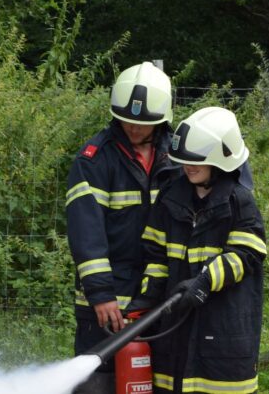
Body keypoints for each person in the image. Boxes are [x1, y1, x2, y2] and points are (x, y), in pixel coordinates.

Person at [66, 61, 180, 393]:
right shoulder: (94, 160)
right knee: (97, 385)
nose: (133, 128)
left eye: (142, 124)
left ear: (161, 121)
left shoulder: (177, 160)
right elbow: (86, 232)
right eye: (127, 120)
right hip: (104, 305)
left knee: (155, 381)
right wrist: (101, 295)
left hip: (160, 299)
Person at [138, 107, 266, 394]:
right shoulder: (170, 198)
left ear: (221, 161)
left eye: (196, 161)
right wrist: (146, 297)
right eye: (183, 161)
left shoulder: (239, 202)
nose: (188, 167)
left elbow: (246, 254)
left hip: (223, 327)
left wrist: (205, 281)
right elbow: (156, 255)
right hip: (175, 326)